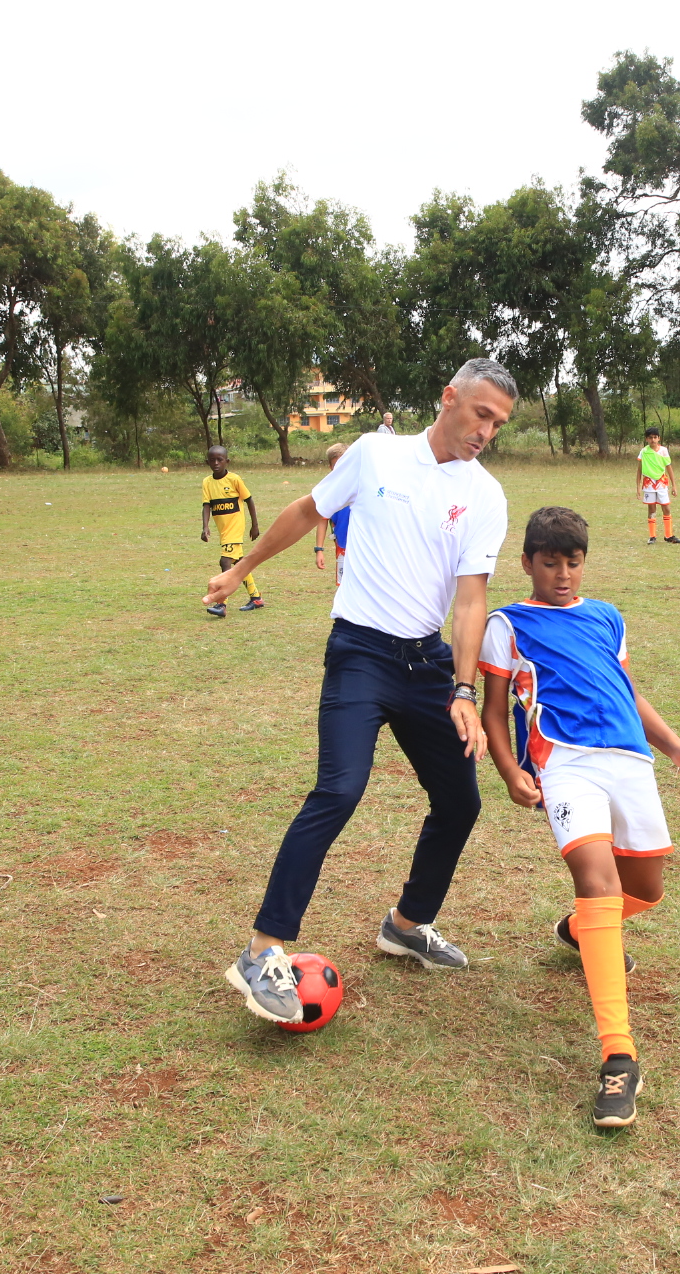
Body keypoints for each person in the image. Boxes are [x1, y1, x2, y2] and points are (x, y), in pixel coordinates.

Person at [209, 359, 516, 1024]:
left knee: (460, 801)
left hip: (428, 664)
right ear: (449, 398)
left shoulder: (486, 496)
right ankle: (263, 950)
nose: (486, 431)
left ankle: (407, 924)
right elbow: (305, 510)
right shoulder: (376, 455)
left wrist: (463, 688)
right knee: (339, 788)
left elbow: (470, 602)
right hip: (360, 654)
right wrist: (242, 570)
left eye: (498, 423)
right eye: (481, 413)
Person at [478, 506, 680, 1127]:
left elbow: (629, 690)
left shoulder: (607, 616)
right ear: (526, 562)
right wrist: (509, 770)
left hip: (629, 761)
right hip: (564, 765)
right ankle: (619, 1058)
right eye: (549, 562)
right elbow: (494, 710)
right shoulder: (507, 624)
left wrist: (676, 747)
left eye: (572, 562)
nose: (562, 574)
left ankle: (581, 931)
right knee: (598, 883)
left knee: (647, 890)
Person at [200, 445, 262, 616]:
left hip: (235, 529)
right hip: (223, 531)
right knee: (240, 564)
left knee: (225, 562)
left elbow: (249, 500)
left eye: (220, 459)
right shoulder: (207, 482)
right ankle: (256, 597)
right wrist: (205, 527)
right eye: (212, 460)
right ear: (207, 462)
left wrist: (254, 525)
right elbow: (207, 505)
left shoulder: (234, 479)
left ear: (227, 461)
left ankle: (221, 604)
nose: (216, 463)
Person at [312, 441, 351, 587]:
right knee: (344, 587)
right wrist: (319, 550)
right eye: (336, 466)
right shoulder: (329, 492)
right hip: (342, 548)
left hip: (366, 547)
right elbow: (322, 520)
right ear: (330, 467)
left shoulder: (363, 486)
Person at [637, 427, 680, 545]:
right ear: (647, 439)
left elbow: (669, 467)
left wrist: (674, 485)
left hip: (661, 482)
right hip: (648, 483)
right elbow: (639, 470)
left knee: (666, 507)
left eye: (655, 437)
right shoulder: (644, 452)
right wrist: (638, 487)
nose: (653, 440)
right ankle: (652, 536)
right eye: (650, 438)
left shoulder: (663, 451)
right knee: (651, 509)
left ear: (659, 438)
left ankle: (669, 535)